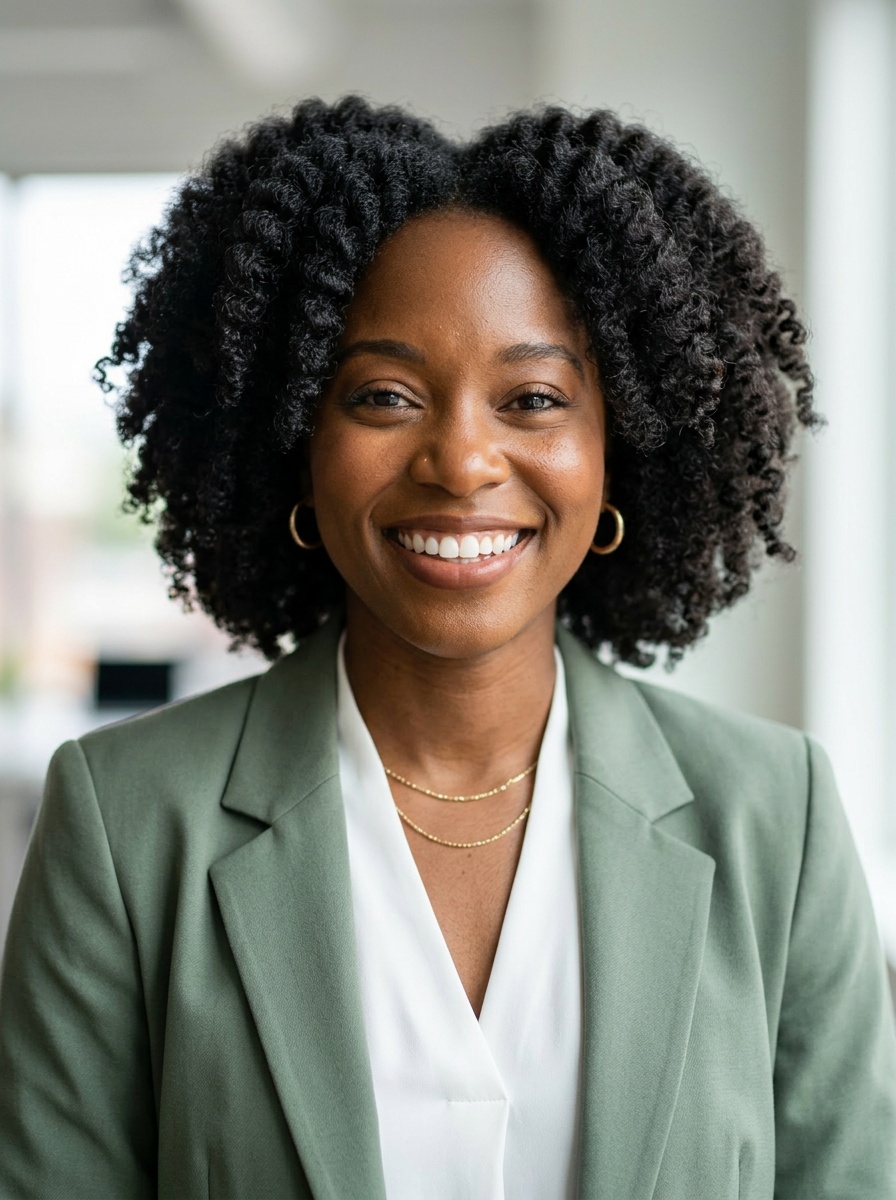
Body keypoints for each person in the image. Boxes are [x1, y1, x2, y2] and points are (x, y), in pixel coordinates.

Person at [0, 95, 894, 1200]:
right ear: (292, 437)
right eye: (383, 395)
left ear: (619, 448)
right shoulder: (126, 822)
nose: (461, 459)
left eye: (531, 397)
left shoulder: (777, 816)